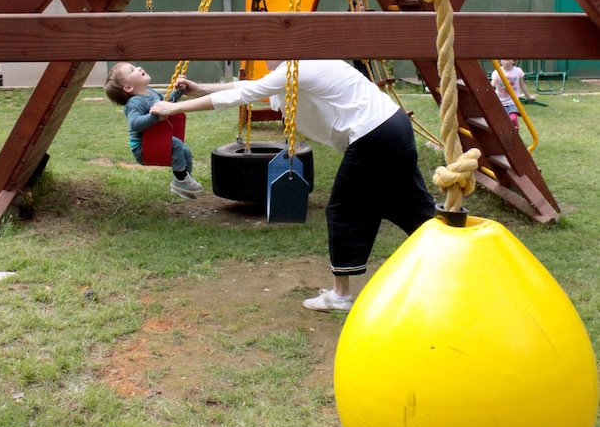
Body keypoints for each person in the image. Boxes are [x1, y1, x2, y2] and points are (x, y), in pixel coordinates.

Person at [150, 59, 436, 312]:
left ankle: (340, 296)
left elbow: (244, 94)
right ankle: (449, 263)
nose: (264, 58)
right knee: (409, 206)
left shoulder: (296, 67)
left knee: (344, 211)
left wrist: (175, 107)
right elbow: (251, 87)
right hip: (393, 125)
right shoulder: (303, 65)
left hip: (372, 135)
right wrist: (200, 88)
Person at [104, 63, 204, 200]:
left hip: (155, 140)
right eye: (132, 70)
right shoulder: (135, 103)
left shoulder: (151, 93)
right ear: (128, 87)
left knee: (184, 150)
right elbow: (134, 124)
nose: (139, 68)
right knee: (175, 144)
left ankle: (184, 183)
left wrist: (179, 91)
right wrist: (155, 117)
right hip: (143, 147)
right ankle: (181, 179)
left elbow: (166, 104)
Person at [490, 59, 534, 129]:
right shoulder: (496, 72)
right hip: (500, 101)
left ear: (513, 61)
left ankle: (516, 130)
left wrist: (529, 97)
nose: (506, 60)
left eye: (508, 58)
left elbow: (522, 85)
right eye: (503, 58)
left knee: (513, 118)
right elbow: (492, 85)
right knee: (502, 122)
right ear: (500, 62)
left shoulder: (517, 71)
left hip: (513, 101)